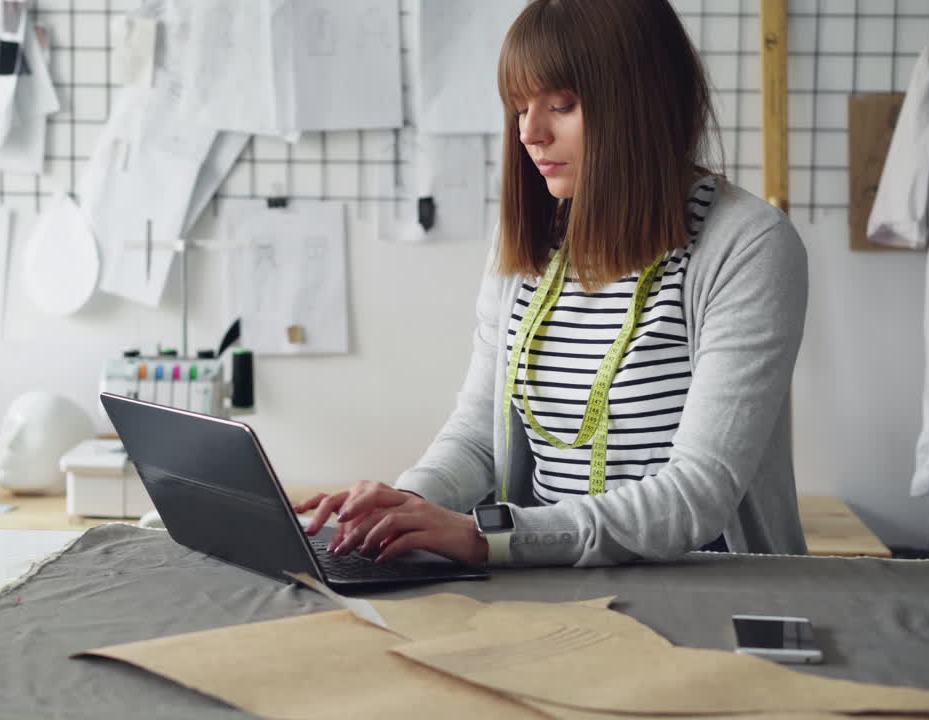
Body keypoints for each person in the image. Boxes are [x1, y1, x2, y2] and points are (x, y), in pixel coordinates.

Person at [295, 0, 809, 568]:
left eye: (561, 106)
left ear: (641, 104)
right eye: (519, 108)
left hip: (699, 585)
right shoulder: (526, 243)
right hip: (543, 574)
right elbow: (479, 435)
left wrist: (485, 537)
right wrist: (410, 504)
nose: (530, 134)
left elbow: (695, 496)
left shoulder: (748, 246)